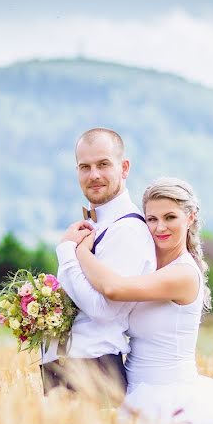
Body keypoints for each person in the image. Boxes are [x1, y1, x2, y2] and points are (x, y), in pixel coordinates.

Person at [65, 177, 213, 424]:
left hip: (170, 397)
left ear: (190, 218)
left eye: (170, 217)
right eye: (151, 219)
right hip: (131, 390)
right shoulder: (147, 265)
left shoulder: (184, 274)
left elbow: (114, 289)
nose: (159, 227)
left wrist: (77, 250)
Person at [43, 128, 156, 394]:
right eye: (85, 167)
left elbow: (104, 310)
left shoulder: (128, 230)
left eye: (103, 164)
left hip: (95, 368)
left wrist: (67, 251)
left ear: (124, 167)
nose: (93, 175)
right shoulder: (97, 224)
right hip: (68, 365)